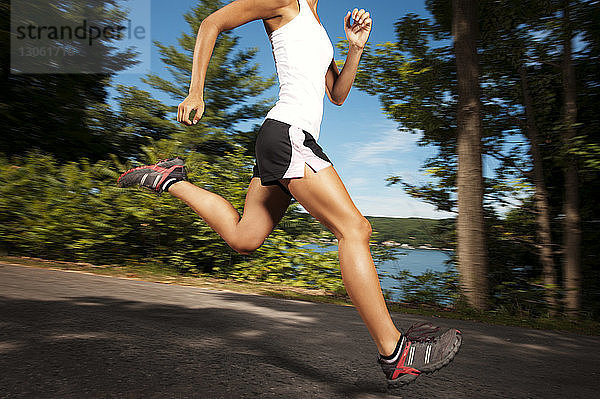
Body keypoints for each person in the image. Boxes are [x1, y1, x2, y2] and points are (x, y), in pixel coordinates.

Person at [117, 0, 461, 387]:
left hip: (287, 138)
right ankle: (394, 351)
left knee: (245, 237)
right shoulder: (283, 1)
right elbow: (212, 23)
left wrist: (355, 48)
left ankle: (171, 179)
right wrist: (196, 91)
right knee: (355, 229)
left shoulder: (315, 18)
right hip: (288, 133)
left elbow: (337, 94)